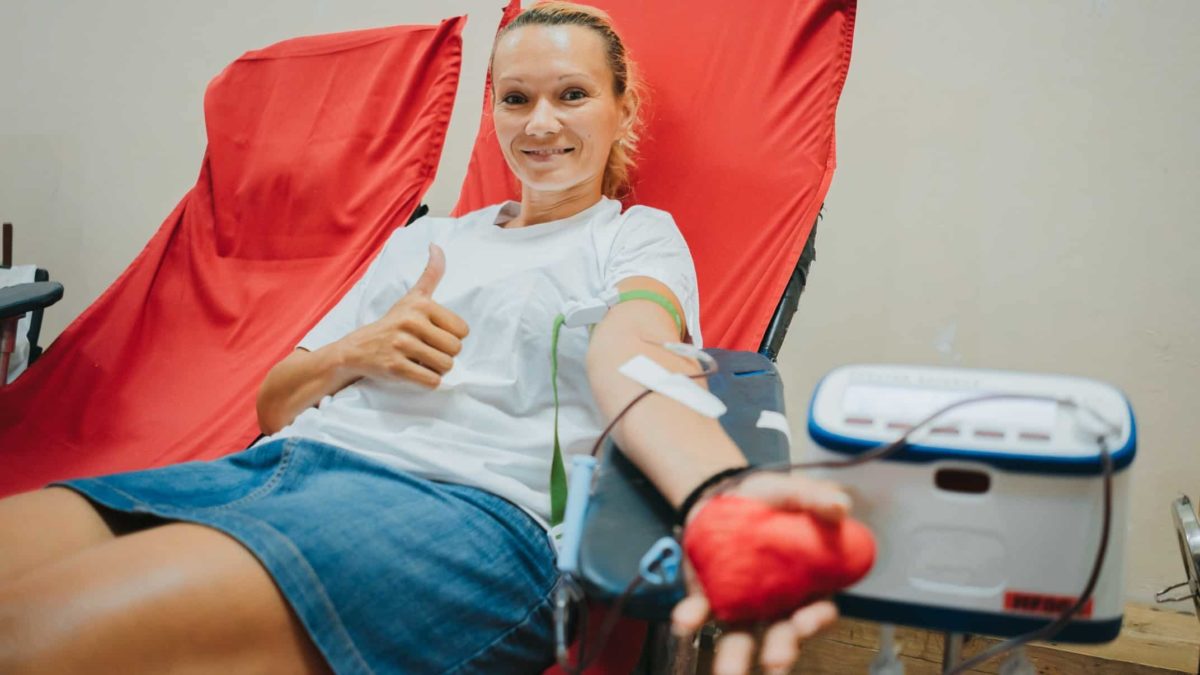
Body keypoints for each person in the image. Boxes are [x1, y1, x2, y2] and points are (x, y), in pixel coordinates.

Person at [0, 3, 849, 673]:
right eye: (515, 99)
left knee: (34, 638)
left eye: (572, 94)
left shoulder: (632, 236)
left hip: (463, 511)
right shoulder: (427, 240)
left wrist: (720, 493)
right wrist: (355, 351)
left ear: (622, 107)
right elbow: (273, 400)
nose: (541, 123)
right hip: (278, 469)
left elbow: (629, 352)